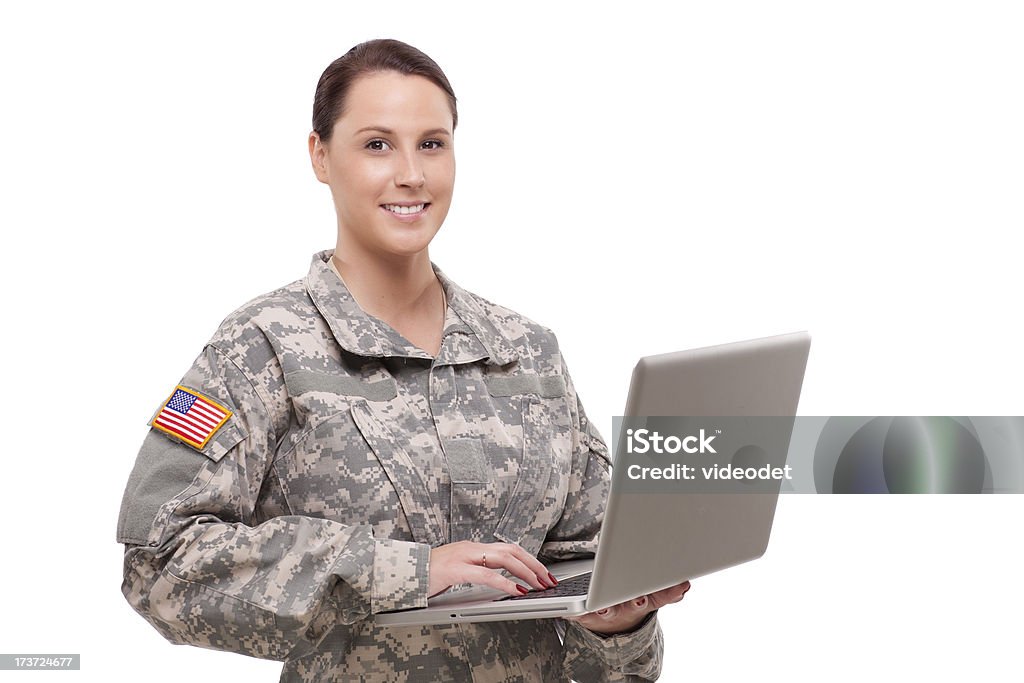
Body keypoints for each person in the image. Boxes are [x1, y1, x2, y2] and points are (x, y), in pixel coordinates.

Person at [116, 38, 690, 682]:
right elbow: (161, 564)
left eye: (432, 143)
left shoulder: (528, 352)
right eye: (377, 144)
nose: (411, 173)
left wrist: (619, 625)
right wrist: (408, 572)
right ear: (320, 155)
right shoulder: (263, 346)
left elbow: (593, 582)